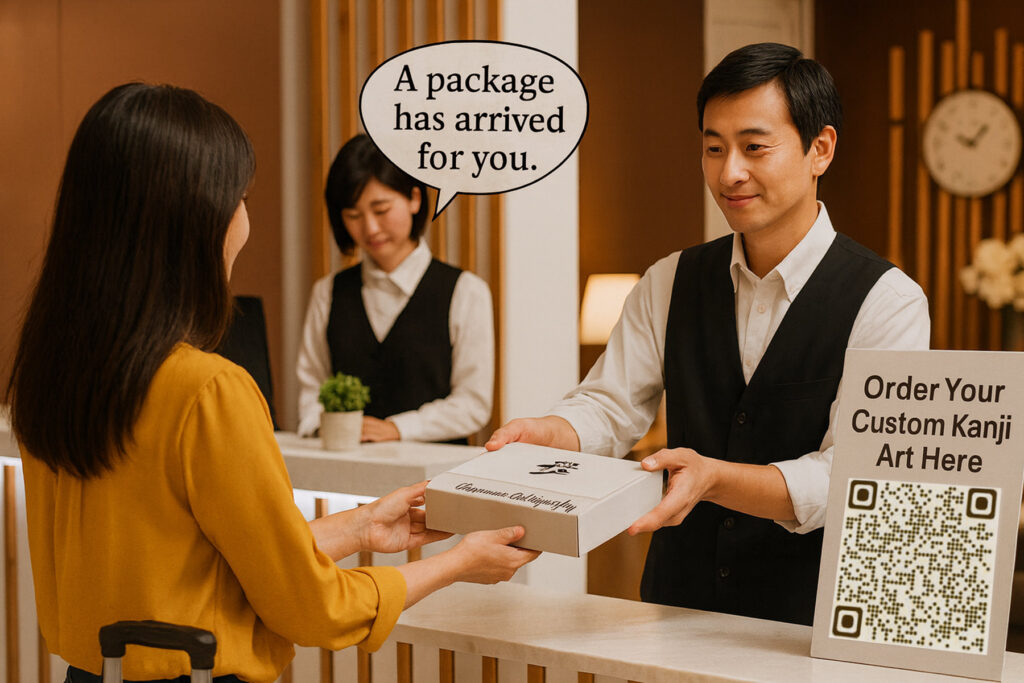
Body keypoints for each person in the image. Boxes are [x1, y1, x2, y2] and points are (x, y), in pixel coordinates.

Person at [4, 83, 537, 683]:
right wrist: (458, 562)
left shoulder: (49, 381)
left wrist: (358, 526)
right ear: (197, 219)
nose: (245, 219)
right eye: (241, 197)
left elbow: (192, 560)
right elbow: (313, 609)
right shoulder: (209, 391)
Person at [486, 43, 930, 626]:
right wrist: (554, 431)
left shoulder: (888, 301)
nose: (729, 173)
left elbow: (852, 474)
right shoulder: (670, 280)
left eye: (754, 147)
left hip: (808, 625)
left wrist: (716, 479)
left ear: (819, 149)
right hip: (675, 607)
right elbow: (611, 405)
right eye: (713, 148)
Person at [296, 134, 493, 443]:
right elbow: (312, 388)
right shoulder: (328, 292)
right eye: (353, 215)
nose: (370, 228)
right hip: (349, 480)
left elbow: (473, 404)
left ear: (414, 198)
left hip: (436, 478)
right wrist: (321, 426)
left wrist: (398, 429)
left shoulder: (466, 291)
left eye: (381, 209)